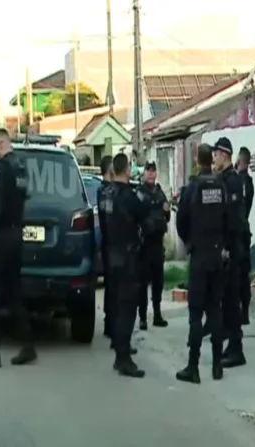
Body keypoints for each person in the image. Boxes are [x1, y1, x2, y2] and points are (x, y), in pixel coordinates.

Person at [175, 143, 230, 383]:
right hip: (217, 256)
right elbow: (228, 218)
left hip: (199, 257)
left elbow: (181, 220)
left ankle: (193, 367)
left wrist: (188, 242)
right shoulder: (221, 186)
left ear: (198, 161)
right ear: (212, 160)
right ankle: (217, 366)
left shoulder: (193, 188)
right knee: (214, 311)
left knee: (196, 313)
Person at [0, 128, 35, 369]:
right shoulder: (21, 169)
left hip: (3, 237)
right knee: (14, 292)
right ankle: (27, 346)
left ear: (3, 144)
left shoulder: (1, 171)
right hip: (17, 235)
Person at [105, 153, 146, 378]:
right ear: (127, 170)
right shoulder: (130, 196)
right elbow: (144, 217)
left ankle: (119, 353)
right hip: (128, 257)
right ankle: (123, 358)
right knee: (128, 309)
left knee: (119, 306)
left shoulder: (108, 194)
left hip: (112, 255)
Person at [212, 137, 248, 369]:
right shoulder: (222, 179)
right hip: (225, 248)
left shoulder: (233, 182)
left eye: (216, 154)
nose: (214, 158)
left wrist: (226, 247)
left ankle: (236, 349)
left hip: (234, 248)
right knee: (226, 300)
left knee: (232, 300)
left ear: (224, 155)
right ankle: (230, 345)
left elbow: (233, 220)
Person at [135, 160, 170, 330]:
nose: (150, 174)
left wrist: (166, 208)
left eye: (153, 171)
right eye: (148, 171)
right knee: (142, 283)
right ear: (144, 174)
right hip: (144, 244)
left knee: (158, 282)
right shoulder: (139, 192)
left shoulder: (159, 192)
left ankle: (157, 314)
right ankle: (142, 317)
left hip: (157, 243)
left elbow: (166, 214)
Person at [97, 155, 115, 339]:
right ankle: (110, 323)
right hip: (111, 242)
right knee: (113, 287)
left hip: (107, 241)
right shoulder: (107, 191)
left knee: (111, 287)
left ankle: (110, 323)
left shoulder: (103, 191)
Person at [237, 147, 255, 324]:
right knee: (244, 274)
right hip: (245, 230)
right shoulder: (249, 183)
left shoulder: (238, 182)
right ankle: (245, 313)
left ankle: (239, 312)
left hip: (238, 233)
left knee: (237, 274)